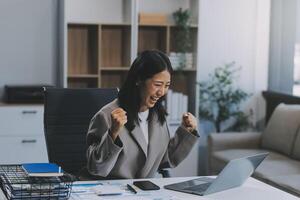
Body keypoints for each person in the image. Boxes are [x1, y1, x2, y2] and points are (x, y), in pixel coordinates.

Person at [86, 50, 199, 179]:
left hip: (145, 192)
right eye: (157, 85)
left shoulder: (157, 116)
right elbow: (96, 169)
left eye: (167, 85)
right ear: (139, 80)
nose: (162, 92)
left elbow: (164, 160)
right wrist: (113, 133)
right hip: (113, 192)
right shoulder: (106, 116)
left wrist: (186, 132)